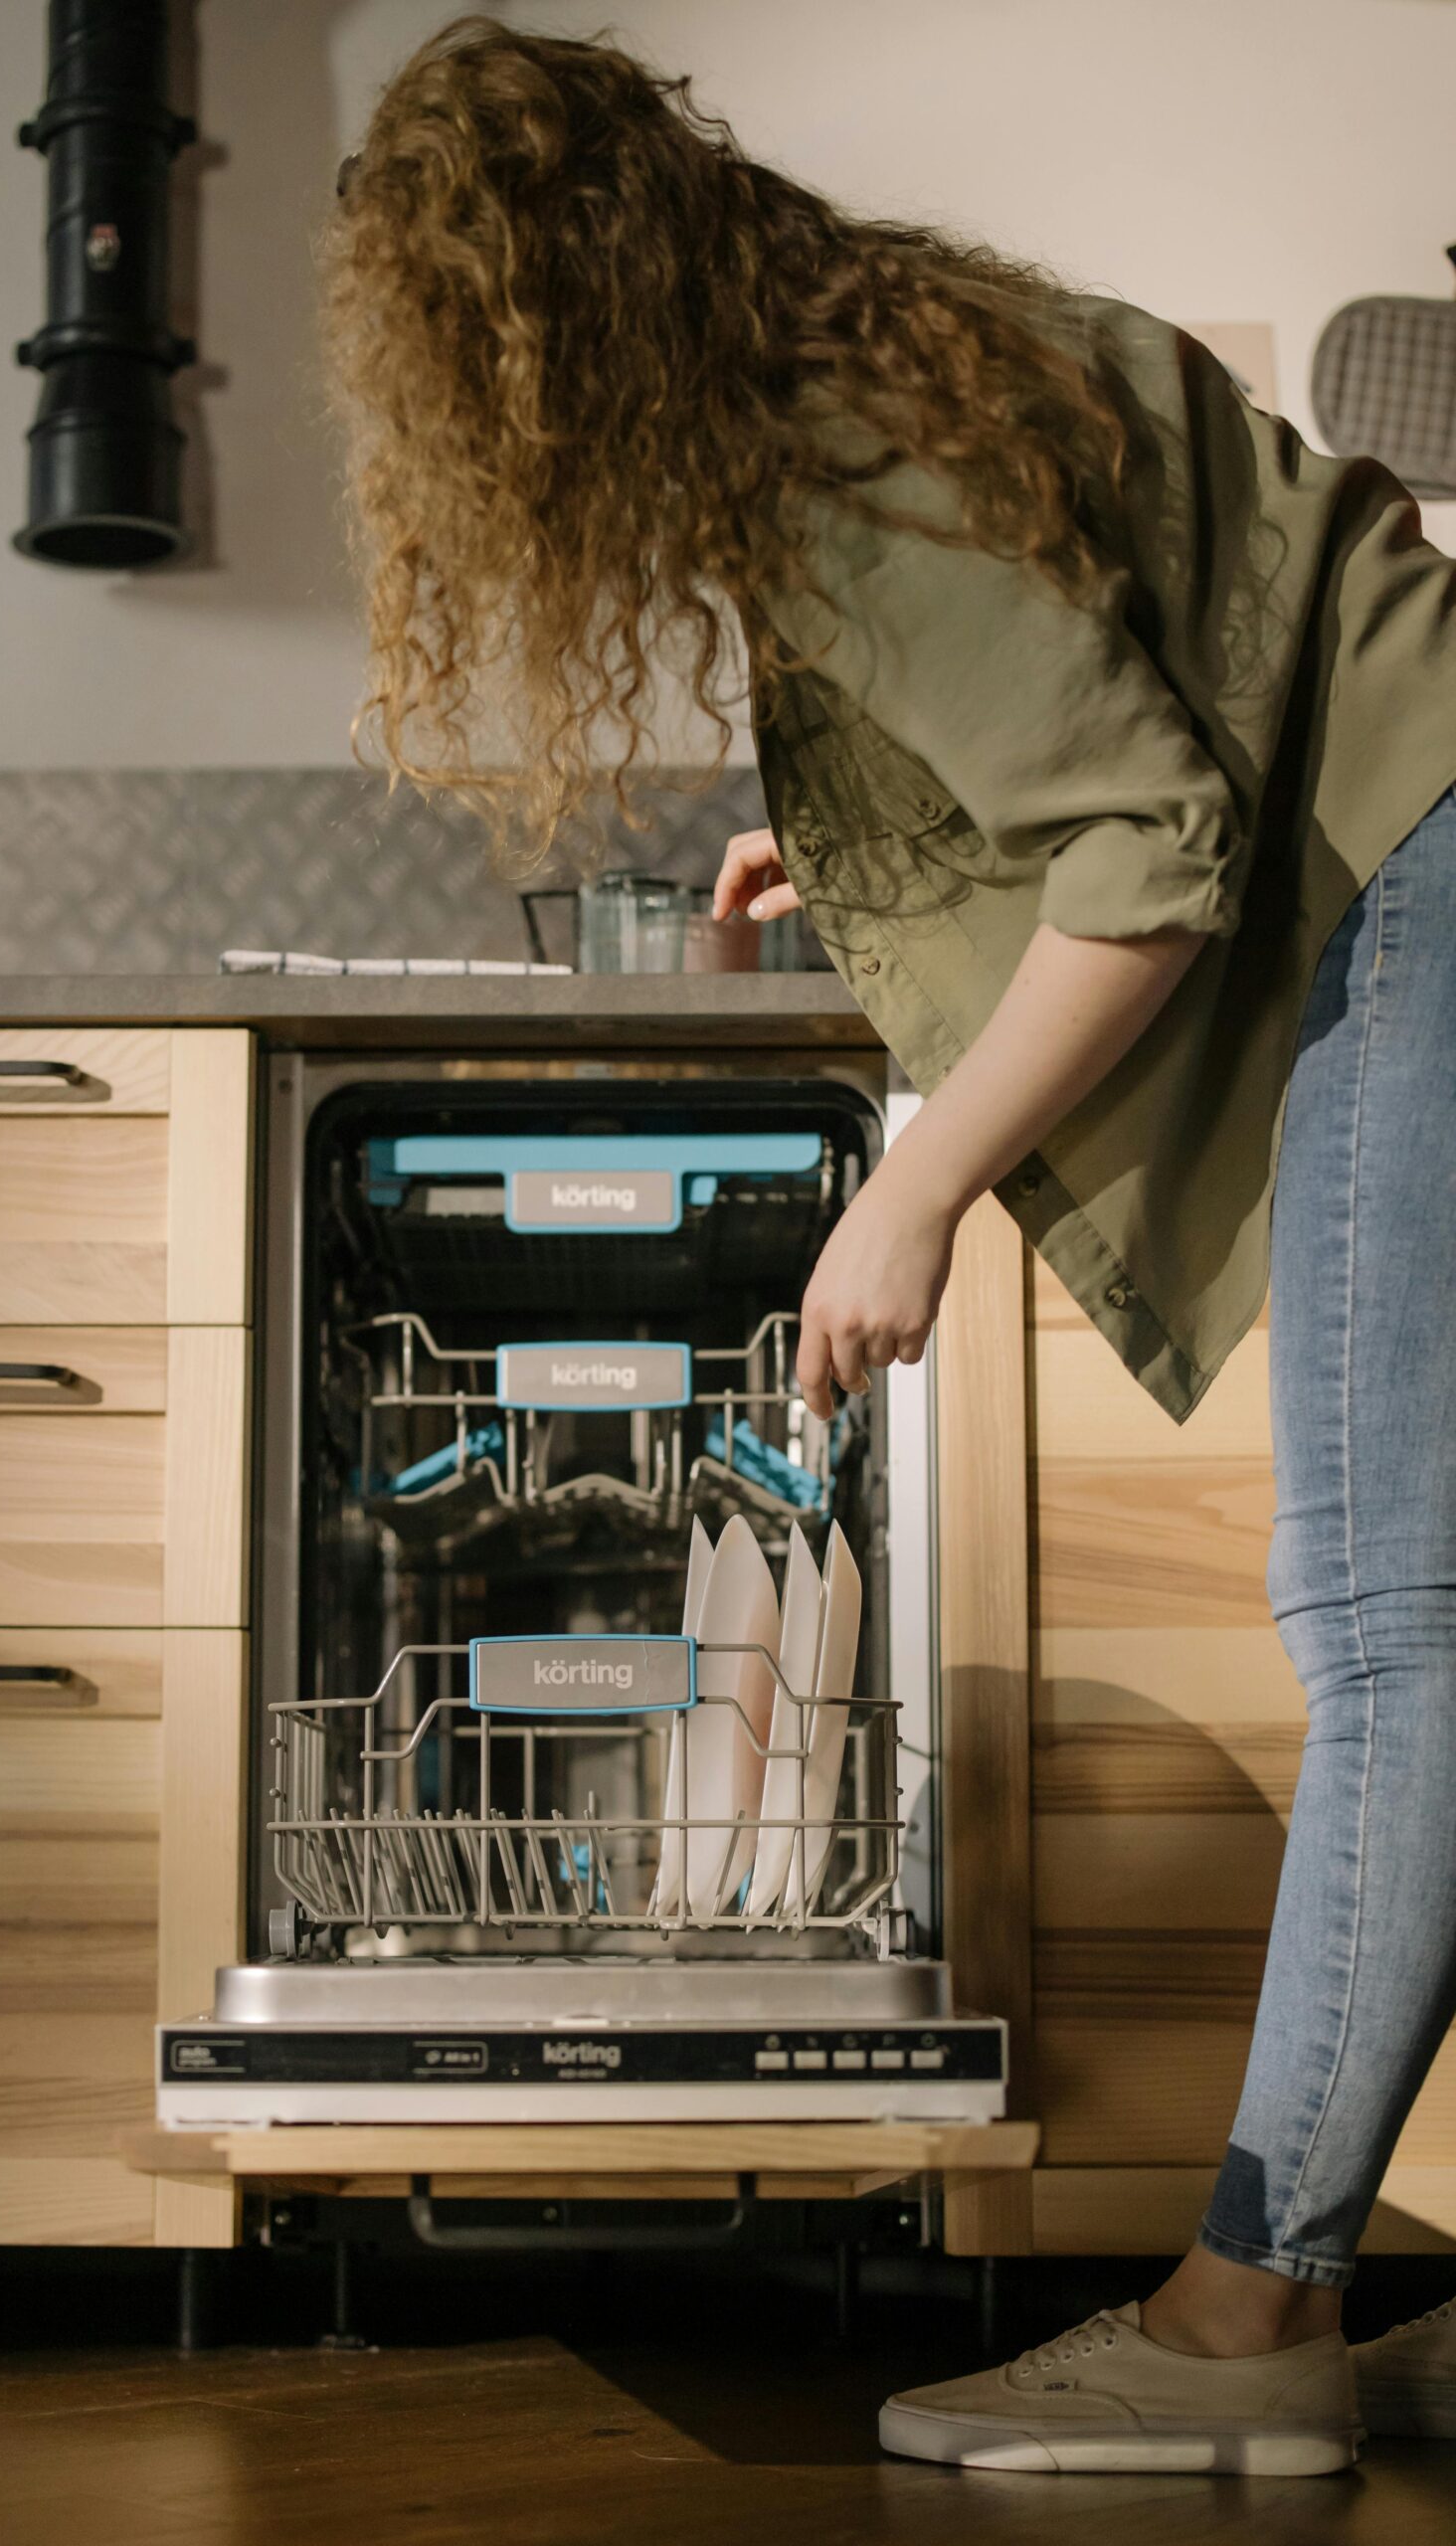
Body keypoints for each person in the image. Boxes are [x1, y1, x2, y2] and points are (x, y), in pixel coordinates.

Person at [321, 17, 1456, 2475]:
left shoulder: (834, 450)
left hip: (1435, 872)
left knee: (1396, 1621)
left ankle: (1250, 2321)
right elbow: (1127, 702)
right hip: (1432, 829)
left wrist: (914, 1184)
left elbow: (1149, 837)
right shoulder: (869, 348)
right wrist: (856, 855)